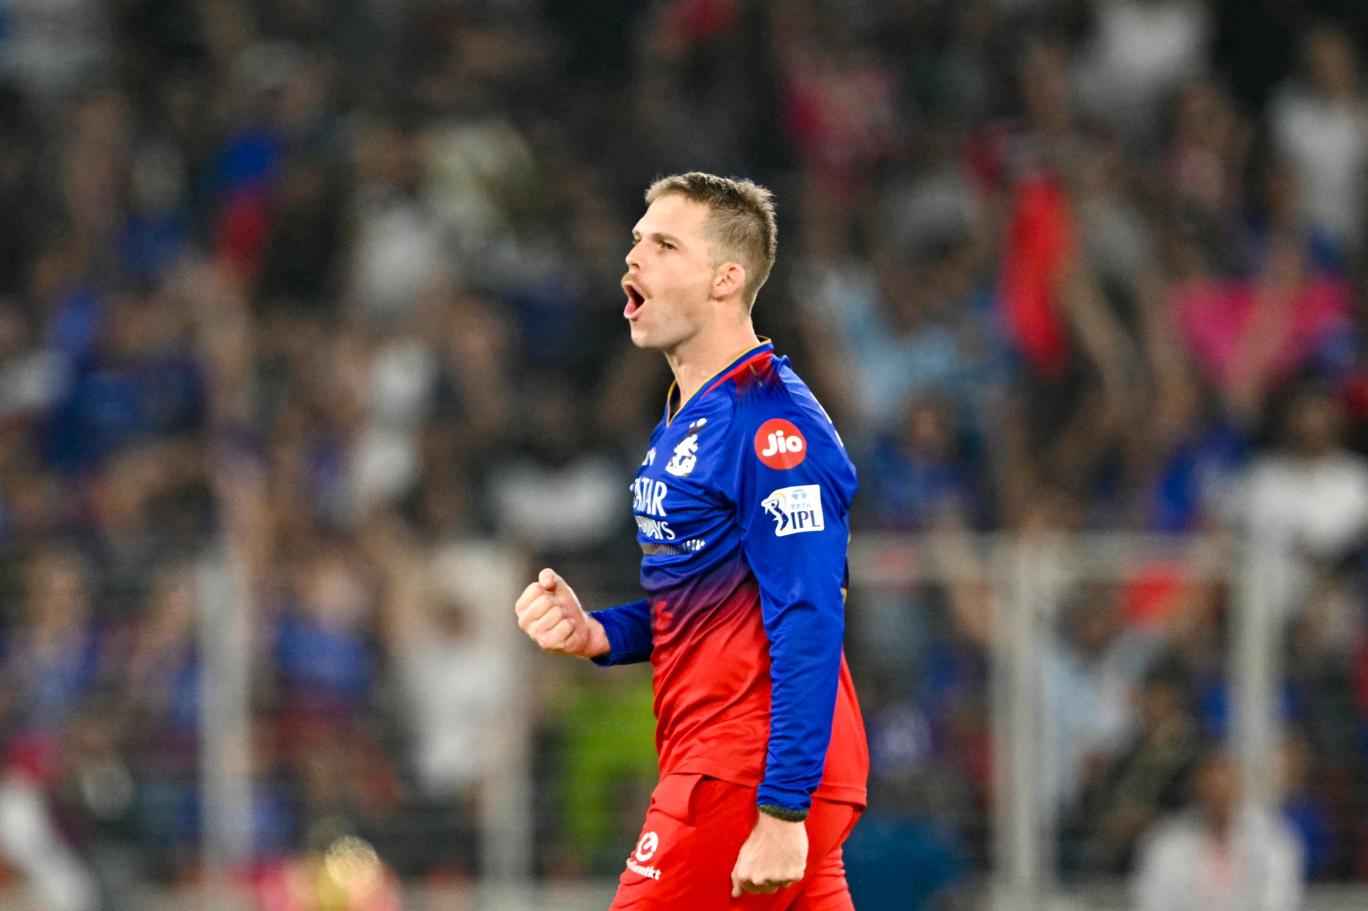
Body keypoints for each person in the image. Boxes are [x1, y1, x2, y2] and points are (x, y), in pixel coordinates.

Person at [514, 172, 868, 909]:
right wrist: (600, 633)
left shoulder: (771, 426)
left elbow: (810, 611)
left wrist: (782, 809)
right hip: (743, 765)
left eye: (665, 245)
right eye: (637, 239)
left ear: (725, 279)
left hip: (745, 771)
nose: (633, 256)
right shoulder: (689, 416)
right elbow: (710, 604)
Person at [1131, 749, 1303, 911]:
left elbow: (1280, 901)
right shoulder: (1166, 842)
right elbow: (1152, 902)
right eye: (1211, 789)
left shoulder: (1274, 840)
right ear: (1197, 790)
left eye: (1226, 789)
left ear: (1240, 789)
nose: (1219, 798)